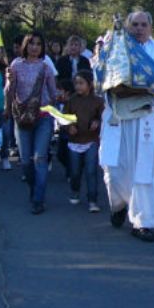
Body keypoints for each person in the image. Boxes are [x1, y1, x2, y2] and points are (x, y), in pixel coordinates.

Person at [99, 11, 154, 242]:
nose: (139, 28)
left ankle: (143, 222)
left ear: (151, 27)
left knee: (145, 172)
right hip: (117, 117)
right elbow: (101, 77)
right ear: (128, 26)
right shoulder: (115, 47)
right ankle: (119, 204)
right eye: (135, 24)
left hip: (144, 117)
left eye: (144, 24)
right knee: (113, 169)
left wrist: (141, 90)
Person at [5, 32, 58, 215]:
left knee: (39, 158)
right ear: (25, 46)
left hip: (43, 118)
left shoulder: (46, 67)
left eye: (38, 44)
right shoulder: (16, 65)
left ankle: (38, 199)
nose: (35, 47)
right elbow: (10, 93)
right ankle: (34, 189)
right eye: (31, 43)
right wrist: (9, 82)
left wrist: (55, 107)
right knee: (26, 161)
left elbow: (53, 94)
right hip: (22, 119)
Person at [63, 70, 104, 213]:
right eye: (76, 83)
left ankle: (92, 200)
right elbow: (65, 118)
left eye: (81, 83)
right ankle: (75, 190)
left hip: (91, 140)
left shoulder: (98, 101)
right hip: (75, 141)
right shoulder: (71, 100)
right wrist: (69, 127)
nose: (78, 86)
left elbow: (102, 116)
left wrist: (97, 122)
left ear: (90, 84)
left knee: (91, 170)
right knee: (74, 171)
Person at [55, 35, 93, 178]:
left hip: (82, 99)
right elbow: (57, 80)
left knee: (80, 130)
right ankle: (69, 165)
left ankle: (78, 165)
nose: (74, 47)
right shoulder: (62, 61)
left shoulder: (84, 61)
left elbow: (89, 79)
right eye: (71, 45)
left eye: (77, 45)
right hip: (65, 98)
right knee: (65, 132)